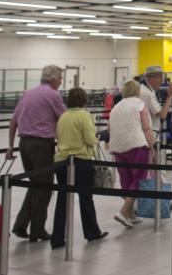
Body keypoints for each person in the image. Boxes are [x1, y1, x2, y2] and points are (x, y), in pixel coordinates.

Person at [7, 65, 66, 242]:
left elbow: (13, 120)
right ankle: (37, 229)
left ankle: (21, 225)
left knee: (35, 184)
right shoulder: (53, 95)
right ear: (54, 79)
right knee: (45, 187)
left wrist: (10, 146)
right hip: (41, 145)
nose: (61, 82)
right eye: (61, 78)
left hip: (24, 143)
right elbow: (65, 117)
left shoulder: (28, 93)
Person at [51, 88, 107, 248]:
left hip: (62, 162)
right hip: (80, 161)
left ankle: (57, 238)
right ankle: (92, 232)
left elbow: (58, 137)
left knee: (62, 200)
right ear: (84, 100)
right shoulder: (84, 115)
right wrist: (96, 139)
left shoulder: (63, 116)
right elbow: (90, 139)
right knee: (86, 198)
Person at [109, 79, 156, 227]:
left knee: (126, 180)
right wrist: (153, 147)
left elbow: (110, 128)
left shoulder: (115, 107)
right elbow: (147, 128)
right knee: (140, 179)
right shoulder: (140, 105)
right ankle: (123, 212)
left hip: (117, 147)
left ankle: (130, 214)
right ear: (137, 91)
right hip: (137, 145)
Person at [140, 67, 172, 134]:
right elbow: (162, 115)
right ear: (152, 78)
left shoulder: (144, 89)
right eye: (160, 78)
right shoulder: (147, 93)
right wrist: (170, 97)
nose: (162, 81)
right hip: (148, 131)